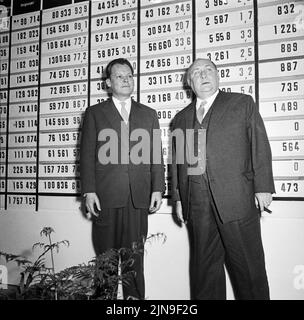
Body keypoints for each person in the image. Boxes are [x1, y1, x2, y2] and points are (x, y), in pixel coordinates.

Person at [170, 58, 275, 300]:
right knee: (204, 274)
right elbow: (177, 162)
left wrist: (263, 187)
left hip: (236, 198)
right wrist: (177, 197)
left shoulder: (241, 103)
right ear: (189, 83)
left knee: (249, 271)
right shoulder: (181, 119)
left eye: (209, 70)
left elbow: (259, 145)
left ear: (218, 76)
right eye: (196, 72)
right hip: (196, 204)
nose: (203, 74)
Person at [80, 58, 165, 300]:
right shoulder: (95, 113)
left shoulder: (149, 114)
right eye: (119, 76)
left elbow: (155, 154)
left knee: (134, 261)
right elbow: (86, 155)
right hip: (105, 197)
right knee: (106, 261)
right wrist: (89, 191)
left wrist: (158, 188)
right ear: (108, 83)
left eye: (129, 75)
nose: (126, 79)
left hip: (138, 198)